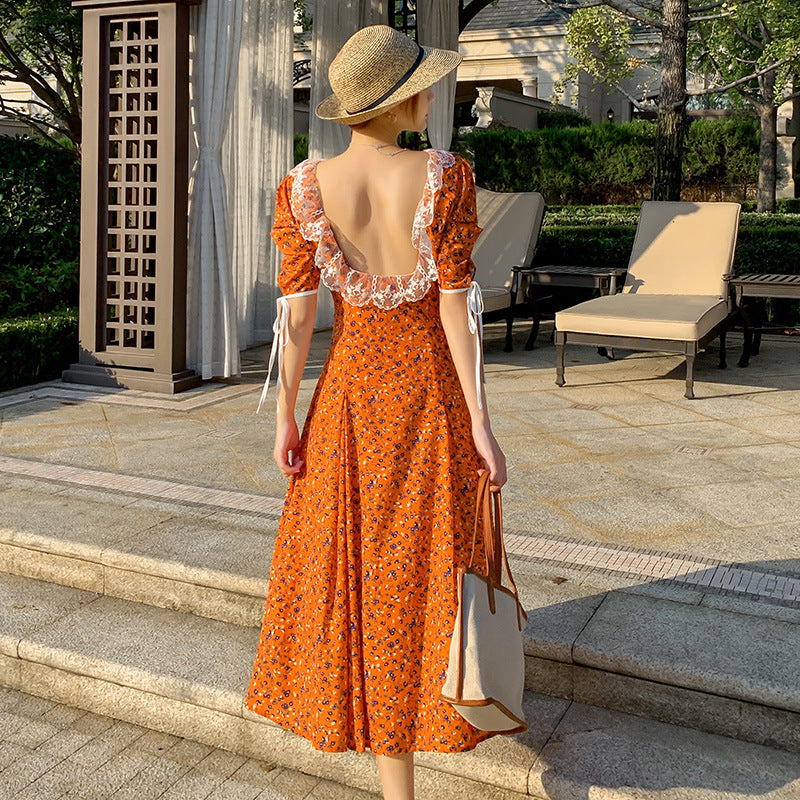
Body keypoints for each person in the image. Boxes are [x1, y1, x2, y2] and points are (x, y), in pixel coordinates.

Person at [245, 24, 507, 800]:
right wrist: (483, 424)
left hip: (348, 402)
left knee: (359, 575)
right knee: (424, 576)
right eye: (423, 84)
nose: (431, 93)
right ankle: (406, 763)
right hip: (430, 401)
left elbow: (295, 319)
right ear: (401, 100)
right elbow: (458, 310)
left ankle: (391, 766)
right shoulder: (445, 176)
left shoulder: (302, 187)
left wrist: (285, 415)